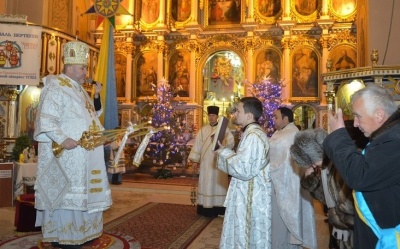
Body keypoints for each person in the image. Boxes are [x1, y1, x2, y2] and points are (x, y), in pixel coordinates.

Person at [34, 40, 112, 249]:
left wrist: (96, 97)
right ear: (69, 67)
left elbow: (91, 116)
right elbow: (46, 119)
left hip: (85, 155)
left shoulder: (78, 89)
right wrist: (62, 139)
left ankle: (83, 233)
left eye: (85, 67)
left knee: (84, 194)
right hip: (68, 155)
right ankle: (65, 236)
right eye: (83, 67)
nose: (86, 71)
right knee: (69, 196)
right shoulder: (56, 86)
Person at [323, 85, 400, 248]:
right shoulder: (388, 136)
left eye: (358, 116)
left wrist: (338, 134)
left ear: (379, 115)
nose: (356, 124)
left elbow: (359, 175)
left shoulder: (395, 141)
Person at [214, 97, 272, 248]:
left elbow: (244, 169)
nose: (235, 113)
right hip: (247, 192)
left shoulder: (253, 136)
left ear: (249, 115)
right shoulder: (252, 133)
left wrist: (223, 152)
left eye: (238, 110)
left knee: (246, 237)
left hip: (250, 197)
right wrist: (224, 151)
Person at [290, 128, 356, 249]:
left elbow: (349, 209)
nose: (312, 166)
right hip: (338, 230)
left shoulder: (338, 168)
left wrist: (334, 217)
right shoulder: (326, 168)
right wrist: (310, 181)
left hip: (349, 234)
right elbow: (327, 197)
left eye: (311, 161)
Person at [269, 107, 317, 249]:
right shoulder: (280, 133)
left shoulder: (290, 135)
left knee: (282, 220)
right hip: (281, 183)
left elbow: (280, 164)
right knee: (279, 220)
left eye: (276, 117)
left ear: (285, 118)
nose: (273, 120)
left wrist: (265, 168)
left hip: (286, 185)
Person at [188, 105, 234, 217]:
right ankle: (205, 208)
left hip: (218, 162)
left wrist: (221, 143)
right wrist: (195, 161)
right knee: (206, 183)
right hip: (206, 163)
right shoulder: (203, 130)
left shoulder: (224, 130)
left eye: (213, 115)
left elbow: (231, 143)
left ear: (217, 116)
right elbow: (197, 146)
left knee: (218, 184)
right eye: (210, 115)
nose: (211, 118)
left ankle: (219, 208)